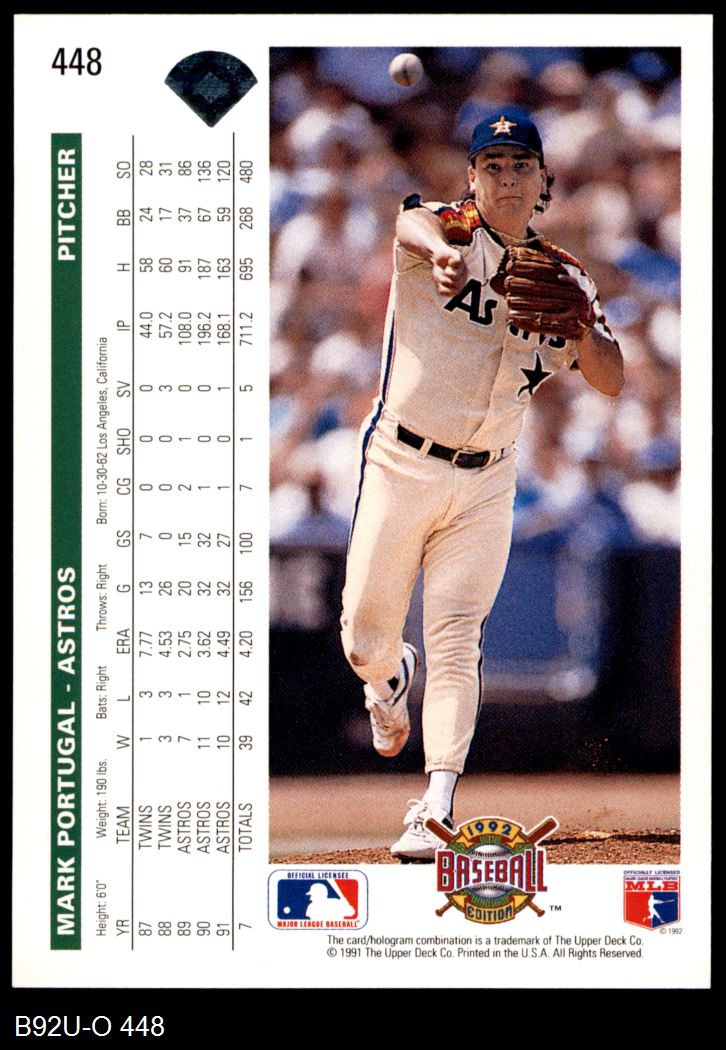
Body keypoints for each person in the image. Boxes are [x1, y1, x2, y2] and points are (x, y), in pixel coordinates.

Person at [339, 112, 624, 860]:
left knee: (457, 636)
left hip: (489, 479)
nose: (505, 179)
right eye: (491, 165)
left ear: (542, 181)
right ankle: (387, 678)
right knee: (364, 638)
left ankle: (435, 804)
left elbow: (612, 378)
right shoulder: (449, 230)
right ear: (471, 178)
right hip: (400, 462)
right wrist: (441, 254)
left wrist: (586, 331)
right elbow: (409, 224)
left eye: (519, 165)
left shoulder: (566, 277)